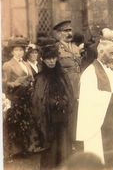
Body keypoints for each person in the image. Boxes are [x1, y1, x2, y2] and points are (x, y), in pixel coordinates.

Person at [77, 32, 113, 170]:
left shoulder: (109, 70)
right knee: (104, 155)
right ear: (101, 52)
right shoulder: (91, 72)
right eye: (111, 53)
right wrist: (111, 96)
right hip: (100, 123)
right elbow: (88, 97)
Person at [32, 37, 74, 169]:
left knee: (64, 149)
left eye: (53, 58)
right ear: (43, 60)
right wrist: (52, 102)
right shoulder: (40, 78)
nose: (51, 61)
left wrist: (63, 102)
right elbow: (37, 101)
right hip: (48, 120)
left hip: (62, 119)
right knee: (50, 151)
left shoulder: (63, 75)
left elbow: (70, 94)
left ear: (57, 58)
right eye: (48, 59)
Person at [2, 37, 39, 158]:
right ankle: (14, 151)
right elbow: (4, 84)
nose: (19, 52)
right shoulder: (7, 65)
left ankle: (26, 147)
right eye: (17, 50)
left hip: (26, 96)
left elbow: (31, 78)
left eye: (21, 50)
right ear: (12, 52)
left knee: (26, 121)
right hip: (15, 97)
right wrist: (15, 83)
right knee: (15, 123)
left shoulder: (26, 64)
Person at [54, 20, 81, 146]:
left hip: (77, 85)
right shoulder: (56, 48)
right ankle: (67, 141)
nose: (69, 33)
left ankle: (75, 138)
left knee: (77, 112)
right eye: (66, 31)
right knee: (67, 113)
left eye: (70, 30)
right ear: (59, 34)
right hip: (64, 85)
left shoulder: (75, 47)